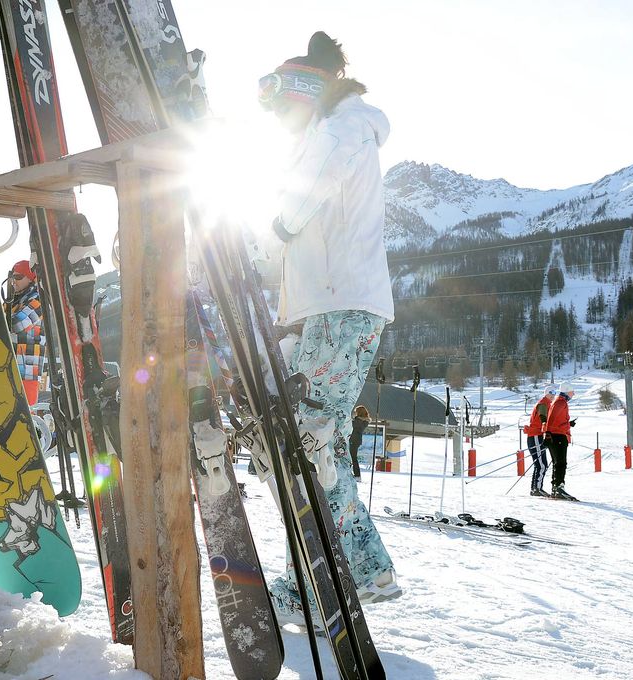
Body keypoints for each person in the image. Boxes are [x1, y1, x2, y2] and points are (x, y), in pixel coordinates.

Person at [258, 32, 399, 614]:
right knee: (323, 440)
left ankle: (328, 579)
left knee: (310, 440)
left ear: (309, 94)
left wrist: (280, 226)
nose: (282, 123)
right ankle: (361, 568)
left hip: (342, 304)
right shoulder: (335, 127)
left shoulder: (340, 129)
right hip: (332, 305)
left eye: (285, 107)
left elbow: (309, 192)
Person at [4, 260, 47, 409]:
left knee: (25, 414)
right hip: (8, 366)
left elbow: (17, 324)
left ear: (31, 278)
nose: (13, 281)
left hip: (27, 370)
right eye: (12, 278)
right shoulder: (14, 300)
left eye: (18, 277)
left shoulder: (38, 299)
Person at [542, 382, 579, 501]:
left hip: (556, 434)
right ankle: (558, 487)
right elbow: (552, 418)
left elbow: (555, 420)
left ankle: (556, 487)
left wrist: (568, 424)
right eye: (572, 392)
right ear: (567, 391)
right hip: (557, 436)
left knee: (557, 462)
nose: (573, 394)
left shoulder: (559, 402)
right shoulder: (561, 402)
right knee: (561, 463)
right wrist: (548, 433)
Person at [523, 385, 556, 496]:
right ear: (546, 393)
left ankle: (536, 488)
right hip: (536, 435)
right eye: (551, 393)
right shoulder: (543, 404)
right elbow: (543, 418)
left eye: (554, 393)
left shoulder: (547, 404)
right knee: (541, 464)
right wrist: (546, 427)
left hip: (538, 435)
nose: (553, 395)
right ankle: (537, 488)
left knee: (541, 464)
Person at [348, 405, 370, 478]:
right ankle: (356, 474)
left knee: (353, 457)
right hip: (356, 440)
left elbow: (353, 425)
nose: (355, 413)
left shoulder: (359, 421)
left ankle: (357, 474)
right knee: (352, 457)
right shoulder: (363, 421)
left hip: (354, 440)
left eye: (356, 412)